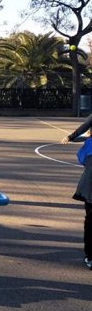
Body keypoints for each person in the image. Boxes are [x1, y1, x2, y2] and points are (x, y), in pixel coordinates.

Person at [62, 115, 92, 270]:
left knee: (90, 221)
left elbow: (82, 159)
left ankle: (90, 256)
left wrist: (72, 136)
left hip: (89, 186)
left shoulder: (89, 145)